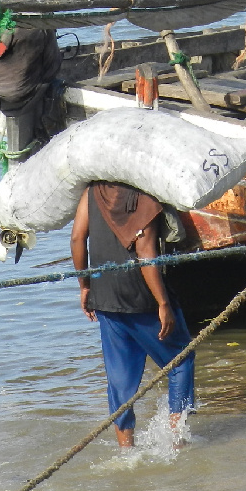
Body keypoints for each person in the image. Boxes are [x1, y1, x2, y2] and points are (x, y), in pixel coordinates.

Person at [71, 182, 195, 447]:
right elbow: (145, 252)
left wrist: (84, 286)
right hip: (141, 296)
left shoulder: (92, 192)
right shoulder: (145, 196)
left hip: (104, 295)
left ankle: (126, 451)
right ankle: (177, 441)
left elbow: (77, 238)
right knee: (181, 360)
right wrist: (163, 303)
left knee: (120, 382)